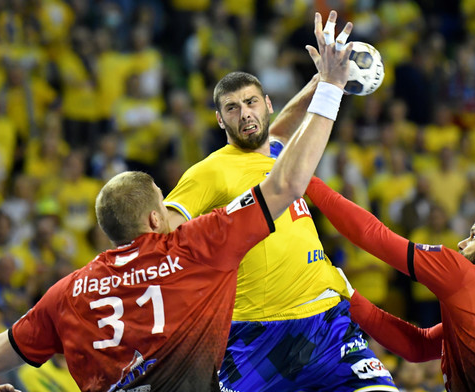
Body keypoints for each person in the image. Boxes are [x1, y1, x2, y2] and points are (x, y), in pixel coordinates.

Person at [0, 11, 354, 392]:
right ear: (154, 216)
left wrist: (316, 87)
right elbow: (285, 182)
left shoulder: (69, 292)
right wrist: (329, 87)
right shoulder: (196, 249)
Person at [164, 10, 398, 392]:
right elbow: (164, 237)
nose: (246, 115)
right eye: (232, 109)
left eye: (252, 103)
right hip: (255, 335)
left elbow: (281, 129)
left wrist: (322, 76)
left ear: (267, 104)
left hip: (324, 320)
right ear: (220, 121)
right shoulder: (208, 172)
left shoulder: (276, 151)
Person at [305, 176, 475, 392]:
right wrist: (350, 297)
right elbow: (418, 347)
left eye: (473, 236)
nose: (461, 244)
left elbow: (372, 235)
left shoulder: (471, 276)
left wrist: (306, 180)